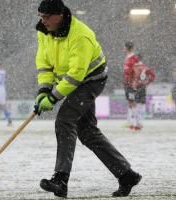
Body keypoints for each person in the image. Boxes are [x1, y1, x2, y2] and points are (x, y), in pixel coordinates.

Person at [34, 0, 142, 198]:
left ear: (60, 15)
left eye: (47, 16)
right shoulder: (43, 31)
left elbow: (76, 74)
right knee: (86, 131)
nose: (43, 20)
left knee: (65, 120)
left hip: (91, 79)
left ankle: (60, 179)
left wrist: (53, 97)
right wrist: (43, 90)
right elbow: (44, 64)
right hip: (72, 80)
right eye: (41, 16)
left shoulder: (80, 34)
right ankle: (127, 175)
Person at [132, 54, 156, 127]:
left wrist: (133, 83)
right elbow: (153, 75)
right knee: (142, 104)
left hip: (135, 87)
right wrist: (147, 83)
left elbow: (130, 76)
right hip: (142, 87)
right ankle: (140, 121)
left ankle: (135, 121)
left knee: (135, 104)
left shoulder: (135, 67)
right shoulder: (145, 67)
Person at [123, 42, 140, 130]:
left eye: (124, 47)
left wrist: (134, 82)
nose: (123, 49)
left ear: (127, 48)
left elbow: (137, 71)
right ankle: (133, 123)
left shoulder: (133, 58)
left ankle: (136, 123)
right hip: (127, 84)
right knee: (130, 103)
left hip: (131, 84)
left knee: (132, 102)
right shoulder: (128, 58)